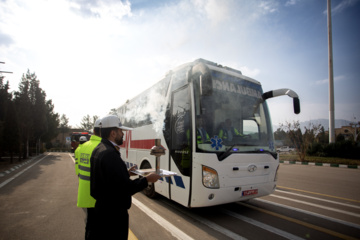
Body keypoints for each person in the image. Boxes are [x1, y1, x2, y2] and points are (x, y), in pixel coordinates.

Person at [89, 115, 161, 240]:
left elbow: (108, 179)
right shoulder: (110, 154)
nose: (123, 134)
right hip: (113, 216)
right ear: (113, 133)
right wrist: (147, 179)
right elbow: (125, 188)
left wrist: (125, 173)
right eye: (121, 131)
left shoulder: (99, 149)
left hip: (102, 211)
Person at [77, 119, 102, 240]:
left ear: (93, 131)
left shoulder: (83, 147)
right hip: (96, 196)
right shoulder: (100, 147)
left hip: (84, 194)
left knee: (90, 226)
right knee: (99, 229)